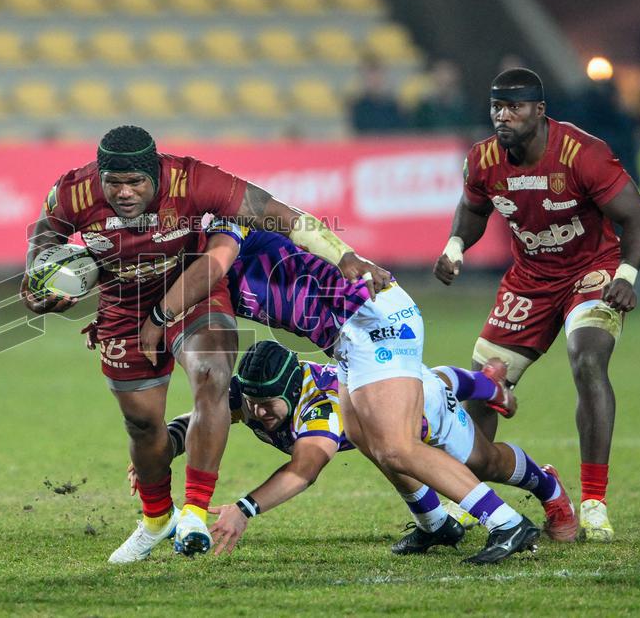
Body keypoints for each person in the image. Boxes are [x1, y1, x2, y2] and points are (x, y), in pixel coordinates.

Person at [23, 125, 390, 562]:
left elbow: (277, 212)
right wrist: (39, 283)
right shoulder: (72, 192)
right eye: (114, 183)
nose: (123, 193)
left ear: (155, 174)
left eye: (136, 182)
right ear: (98, 176)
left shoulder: (193, 180)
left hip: (192, 289)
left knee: (213, 373)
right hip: (122, 304)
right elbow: (44, 236)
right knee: (142, 424)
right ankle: (157, 520)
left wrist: (343, 254)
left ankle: (195, 510)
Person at [139, 222, 550, 562]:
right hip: (345, 338)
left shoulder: (224, 235)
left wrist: (346, 257)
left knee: (397, 446)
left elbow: (294, 220)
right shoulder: (193, 274)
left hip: (371, 317)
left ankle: (506, 522)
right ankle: (436, 524)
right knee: (366, 436)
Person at [434, 67, 640, 542]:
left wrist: (626, 276)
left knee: (588, 359)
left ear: (539, 110)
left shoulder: (583, 154)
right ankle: (469, 497)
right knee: (482, 381)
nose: (502, 116)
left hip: (590, 270)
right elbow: (473, 210)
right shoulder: (484, 158)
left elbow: (636, 218)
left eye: (514, 107)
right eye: (496, 106)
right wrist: (455, 245)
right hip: (530, 279)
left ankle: (594, 500)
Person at [132, 341, 575, 556]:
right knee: (386, 449)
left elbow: (303, 470)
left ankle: (549, 486)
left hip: (418, 405)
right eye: (251, 404)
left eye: (267, 406)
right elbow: (199, 423)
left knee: (485, 461)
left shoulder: (320, 407)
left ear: (293, 390)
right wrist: (161, 453)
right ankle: (438, 524)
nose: (259, 413)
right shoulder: (254, 393)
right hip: (389, 409)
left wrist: (245, 509)